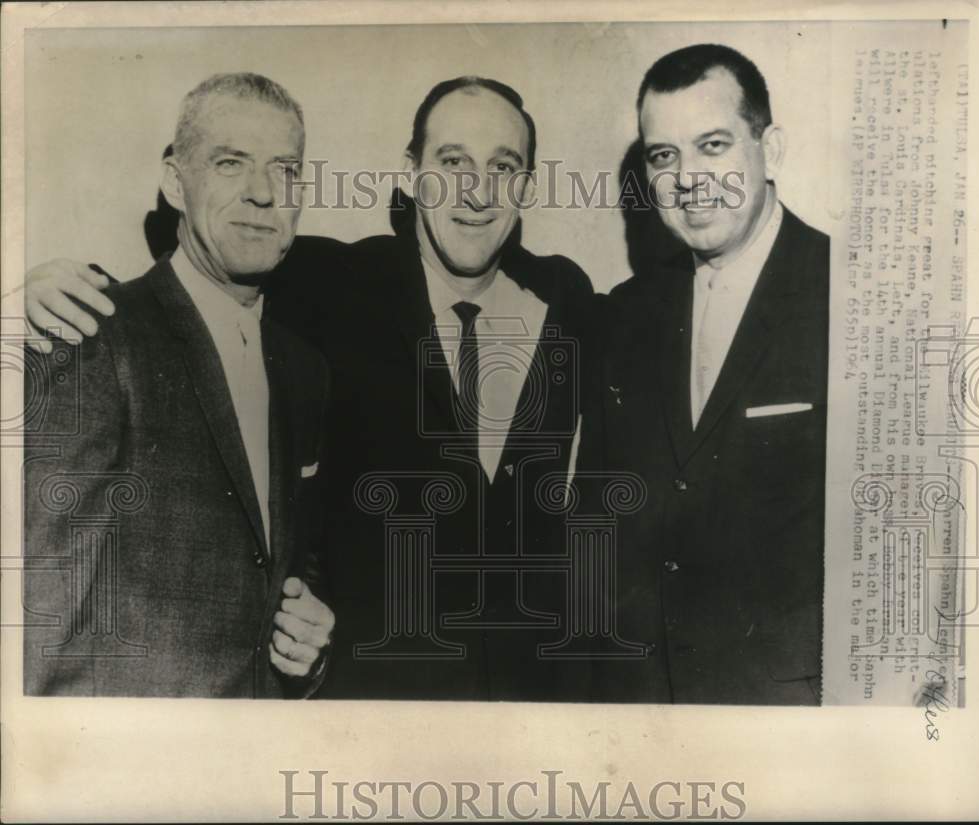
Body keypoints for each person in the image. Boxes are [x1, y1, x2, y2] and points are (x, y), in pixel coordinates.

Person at [20, 76, 593, 702]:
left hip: (528, 705)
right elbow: (206, 257)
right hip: (369, 714)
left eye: (503, 167)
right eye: (451, 161)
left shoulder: (568, 299)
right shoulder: (332, 283)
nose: (476, 190)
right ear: (411, 173)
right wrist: (55, 289)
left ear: (528, 188)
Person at [22, 73, 335, 697]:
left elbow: (283, 573)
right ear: (174, 181)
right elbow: (39, 612)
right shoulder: (93, 331)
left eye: (285, 170)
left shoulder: (305, 369)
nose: (262, 193)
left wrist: (310, 649)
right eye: (229, 163)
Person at [579, 44, 829, 704]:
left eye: (713, 145)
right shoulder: (626, 315)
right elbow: (595, 533)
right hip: (635, 715)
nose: (689, 179)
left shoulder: (852, 297)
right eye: (665, 156)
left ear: (769, 150)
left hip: (784, 723)